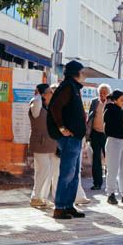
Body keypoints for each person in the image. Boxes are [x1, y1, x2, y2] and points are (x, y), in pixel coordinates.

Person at [45, 62, 88, 220]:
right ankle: (60, 207)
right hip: (68, 138)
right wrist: (62, 127)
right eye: (82, 72)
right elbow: (55, 107)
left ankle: (68, 205)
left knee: (74, 174)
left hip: (75, 137)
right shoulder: (68, 87)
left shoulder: (74, 88)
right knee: (67, 173)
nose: (84, 75)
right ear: (76, 73)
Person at [26, 81, 56, 210]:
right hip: (40, 143)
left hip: (48, 143)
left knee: (45, 171)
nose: (52, 94)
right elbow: (36, 102)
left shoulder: (46, 106)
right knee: (44, 169)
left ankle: (40, 197)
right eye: (50, 92)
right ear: (43, 94)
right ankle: (35, 197)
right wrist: (38, 94)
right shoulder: (36, 104)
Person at [101, 89, 123, 205]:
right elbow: (109, 126)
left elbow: (122, 124)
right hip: (114, 141)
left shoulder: (120, 110)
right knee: (113, 169)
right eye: (121, 100)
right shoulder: (110, 109)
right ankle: (110, 193)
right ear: (115, 100)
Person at [88, 82, 112, 192]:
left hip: (107, 135)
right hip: (96, 133)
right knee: (96, 159)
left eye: (104, 93)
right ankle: (97, 183)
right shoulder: (94, 102)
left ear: (108, 94)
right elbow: (90, 116)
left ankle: (110, 183)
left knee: (109, 159)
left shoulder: (111, 103)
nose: (102, 94)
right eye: (101, 92)